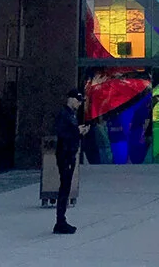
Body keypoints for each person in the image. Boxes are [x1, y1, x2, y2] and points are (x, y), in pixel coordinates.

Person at [53, 88, 89, 234]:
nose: (80, 104)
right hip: (65, 154)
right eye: (78, 100)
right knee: (64, 187)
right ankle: (60, 221)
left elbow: (70, 134)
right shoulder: (64, 115)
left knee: (66, 187)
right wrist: (77, 131)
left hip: (70, 153)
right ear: (72, 99)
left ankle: (62, 219)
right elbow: (62, 133)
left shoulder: (71, 115)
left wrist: (80, 133)